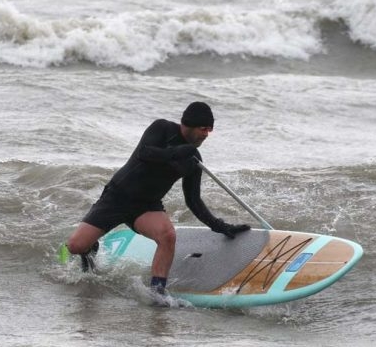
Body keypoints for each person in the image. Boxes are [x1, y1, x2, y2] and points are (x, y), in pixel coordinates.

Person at [66, 101, 251, 294]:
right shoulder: (162, 128)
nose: (206, 134)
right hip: (117, 197)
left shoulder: (193, 160)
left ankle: (157, 292)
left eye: (210, 130)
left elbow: (193, 201)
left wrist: (219, 226)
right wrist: (176, 152)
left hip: (146, 207)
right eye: (203, 129)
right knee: (75, 246)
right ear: (188, 124)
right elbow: (145, 153)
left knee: (168, 236)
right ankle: (90, 247)